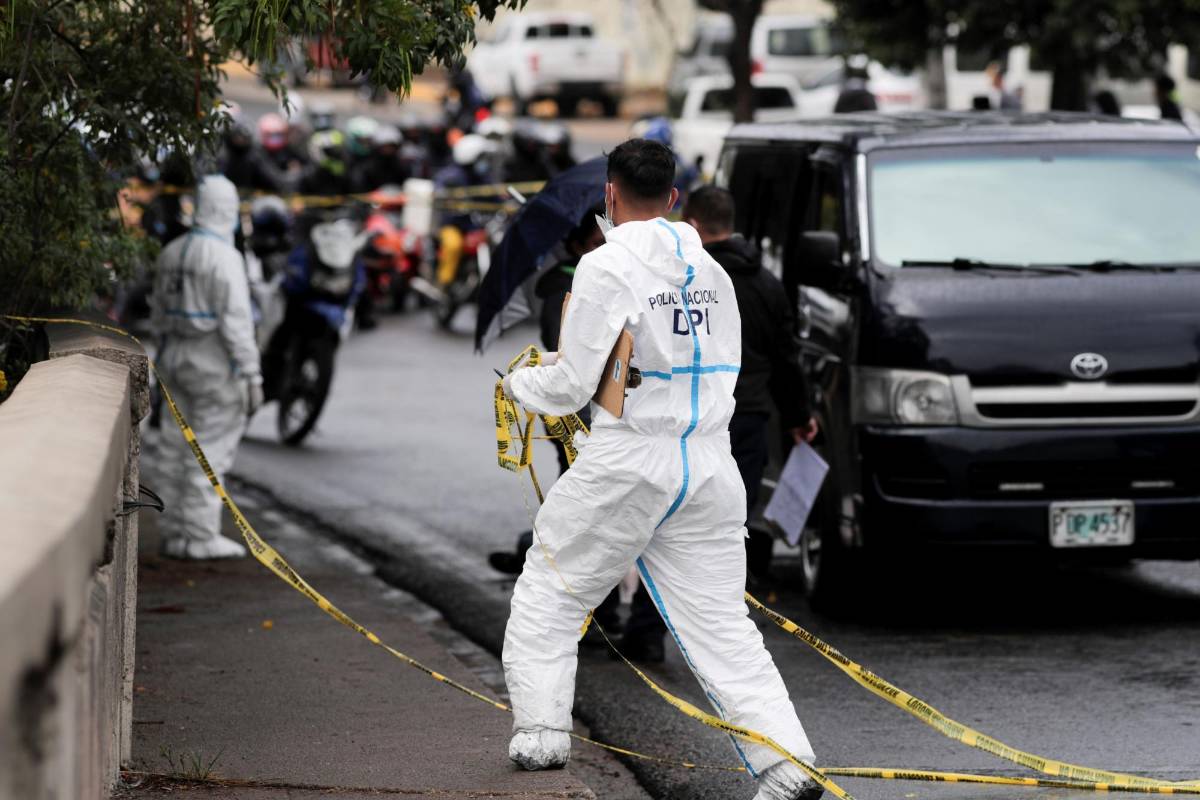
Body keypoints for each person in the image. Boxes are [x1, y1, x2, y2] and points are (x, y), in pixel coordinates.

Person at [500, 139, 821, 800]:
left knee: (552, 590)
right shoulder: (712, 272)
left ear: (609, 196)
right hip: (708, 462)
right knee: (723, 628)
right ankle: (787, 767)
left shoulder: (604, 267)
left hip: (628, 457)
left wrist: (518, 387)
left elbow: (569, 386)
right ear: (674, 198)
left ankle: (541, 735)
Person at [682, 186, 818, 580]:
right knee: (731, 523)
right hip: (748, 420)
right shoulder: (767, 284)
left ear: (693, 224)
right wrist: (799, 416)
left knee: (674, 528)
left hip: (691, 419)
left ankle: (649, 630)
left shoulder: (683, 281)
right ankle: (725, 606)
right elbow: (785, 358)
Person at [151, 175, 262, 560]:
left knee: (171, 448)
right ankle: (199, 537)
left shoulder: (172, 251)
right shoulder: (225, 258)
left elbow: (157, 314)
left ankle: (172, 531)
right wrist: (250, 374)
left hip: (173, 357)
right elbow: (236, 323)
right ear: (226, 210)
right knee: (210, 449)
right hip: (214, 360)